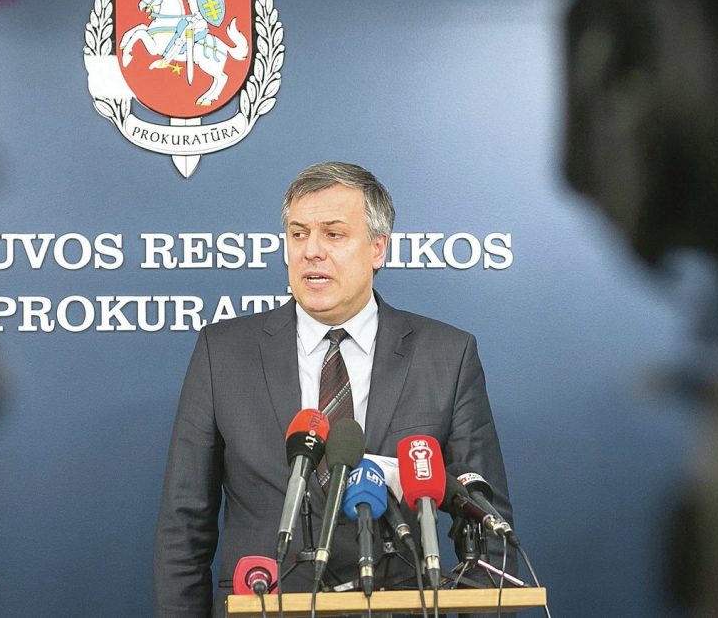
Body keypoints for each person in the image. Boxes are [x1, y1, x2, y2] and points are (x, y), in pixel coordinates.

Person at [153, 162, 514, 616]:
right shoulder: (222, 352)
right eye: (298, 234)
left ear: (378, 248)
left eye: (334, 234)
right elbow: (184, 526)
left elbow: (487, 525)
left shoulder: (446, 355)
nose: (311, 251)